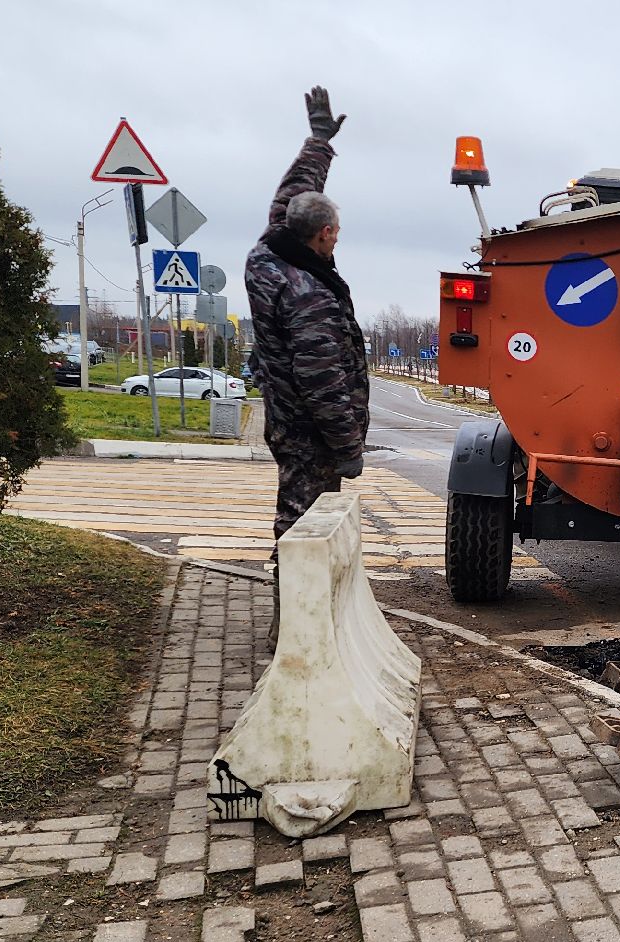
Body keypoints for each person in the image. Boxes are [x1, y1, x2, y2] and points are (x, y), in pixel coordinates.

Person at [245, 87, 369, 638]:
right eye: (335, 232)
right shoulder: (307, 295)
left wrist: (318, 142)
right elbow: (322, 382)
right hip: (311, 434)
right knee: (302, 528)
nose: (337, 238)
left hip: (286, 420)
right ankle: (293, 635)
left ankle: (302, 623)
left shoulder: (271, 248)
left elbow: (294, 192)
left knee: (299, 524)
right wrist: (347, 450)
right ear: (323, 235)